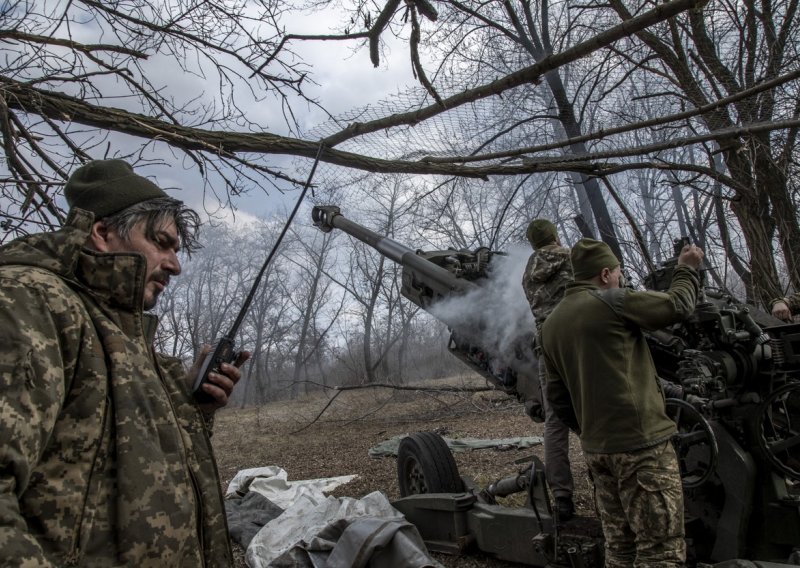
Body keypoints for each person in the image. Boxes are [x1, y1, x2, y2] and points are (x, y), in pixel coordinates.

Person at [0, 159, 248, 566]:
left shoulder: (128, 340)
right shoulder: (31, 301)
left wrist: (196, 409)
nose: (175, 265)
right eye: (162, 243)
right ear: (102, 233)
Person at [540, 238, 703, 567]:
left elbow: (558, 398)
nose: (619, 277)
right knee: (660, 550)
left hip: (598, 452)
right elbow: (678, 306)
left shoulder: (549, 327)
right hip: (643, 448)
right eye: (617, 272)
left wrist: (591, 429)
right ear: (604, 274)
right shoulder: (611, 301)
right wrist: (686, 270)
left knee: (620, 547)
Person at [521, 218, 575, 521]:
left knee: (555, 423)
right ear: (555, 235)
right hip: (579, 342)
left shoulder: (528, 274)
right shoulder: (574, 258)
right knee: (594, 411)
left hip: (547, 349)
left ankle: (563, 498)